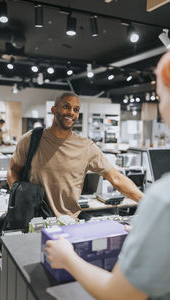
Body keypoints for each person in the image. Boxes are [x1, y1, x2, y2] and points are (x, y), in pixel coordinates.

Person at [45, 51, 170, 300]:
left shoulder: (163, 200)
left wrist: (67, 258)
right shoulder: (32, 140)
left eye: (160, 97)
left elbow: (120, 295)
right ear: (54, 110)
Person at [7, 92, 142, 219]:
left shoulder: (86, 147)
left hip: (68, 222)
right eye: (66, 107)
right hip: (33, 221)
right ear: (54, 110)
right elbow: (13, 170)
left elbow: (116, 178)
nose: (71, 112)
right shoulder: (31, 139)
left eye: (76, 109)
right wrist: (20, 202)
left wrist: (146, 201)